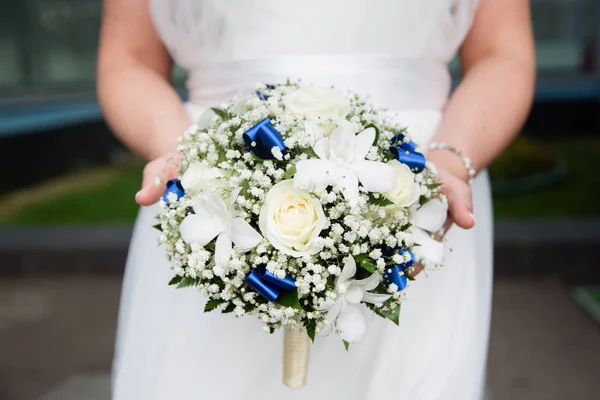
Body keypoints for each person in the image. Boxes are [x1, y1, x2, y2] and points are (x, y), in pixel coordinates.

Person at [98, 0, 535, 399]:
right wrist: (180, 152)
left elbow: (502, 52)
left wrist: (450, 160)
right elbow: (129, 57)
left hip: (412, 189)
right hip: (211, 187)